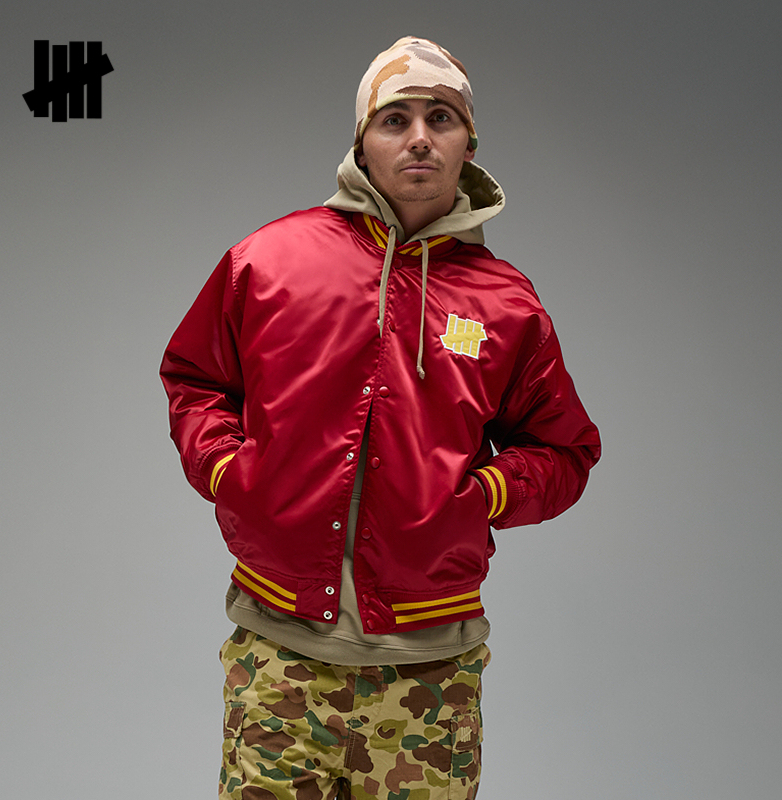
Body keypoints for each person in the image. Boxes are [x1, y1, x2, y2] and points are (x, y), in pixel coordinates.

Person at [160, 36, 601, 800]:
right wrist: (229, 470)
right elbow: (196, 379)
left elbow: (565, 450)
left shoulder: (506, 305)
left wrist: (484, 495)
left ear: (468, 144)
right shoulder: (269, 261)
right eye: (395, 119)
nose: (419, 137)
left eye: (441, 118)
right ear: (362, 140)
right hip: (280, 655)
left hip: (430, 670)